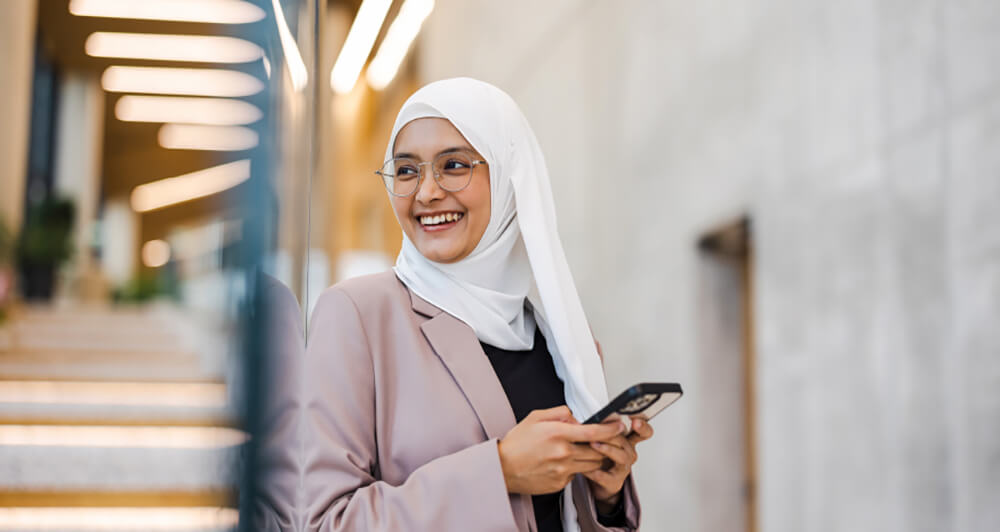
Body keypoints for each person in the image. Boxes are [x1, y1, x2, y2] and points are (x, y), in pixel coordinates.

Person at [302, 78, 653, 532]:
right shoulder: (358, 315)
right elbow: (325, 521)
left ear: (509, 175)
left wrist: (605, 496)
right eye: (406, 171)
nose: (425, 192)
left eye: (453, 165)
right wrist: (500, 471)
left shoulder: (563, 344)